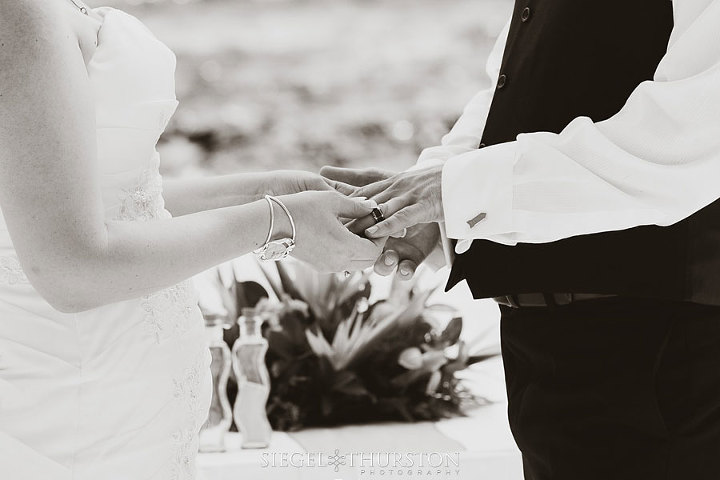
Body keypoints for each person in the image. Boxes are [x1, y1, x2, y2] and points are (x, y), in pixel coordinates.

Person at [323, 0, 720, 478]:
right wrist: (431, 195)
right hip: (548, 353)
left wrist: (454, 191)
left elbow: (690, 135)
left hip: (660, 354)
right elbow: (514, 83)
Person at [0, 2, 385, 479]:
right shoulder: (18, 14)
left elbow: (100, 200)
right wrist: (277, 222)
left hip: (123, 405)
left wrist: (259, 191)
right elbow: (69, 269)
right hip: (72, 406)